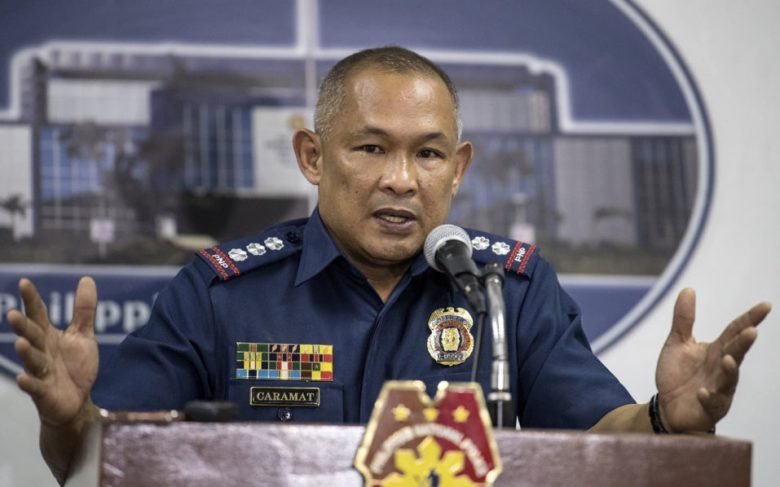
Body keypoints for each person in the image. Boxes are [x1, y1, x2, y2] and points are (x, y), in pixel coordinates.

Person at [7, 47, 772, 483]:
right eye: (371, 147)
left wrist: (672, 416)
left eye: (428, 153)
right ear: (313, 155)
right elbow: (100, 457)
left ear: (458, 166)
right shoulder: (220, 293)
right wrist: (68, 414)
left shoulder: (507, 292)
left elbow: (604, 438)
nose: (402, 179)